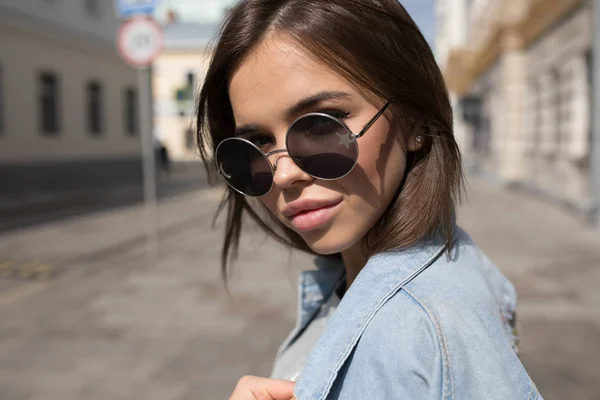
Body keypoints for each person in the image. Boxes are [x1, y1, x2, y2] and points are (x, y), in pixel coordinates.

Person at [196, 1, 543, 399]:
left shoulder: (422, 328)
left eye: (322, 126)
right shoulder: (419, 270)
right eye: (256, 143)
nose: (284, 173)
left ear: (415, 121)